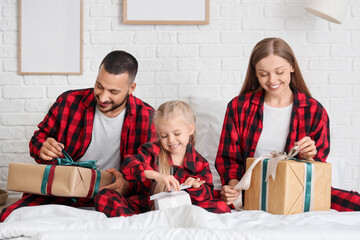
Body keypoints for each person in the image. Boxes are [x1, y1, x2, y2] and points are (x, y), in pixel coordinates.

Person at [0, 50, 157, 222]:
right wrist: (43, 147)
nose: (103, 97)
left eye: (113, 91)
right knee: (10, 217)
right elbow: (38, 140)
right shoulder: (69, 101)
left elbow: (153, 173)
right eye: (99, 86)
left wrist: (127, 186)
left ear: (131, 88)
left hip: (114, 197)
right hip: (60, 192)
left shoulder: (148, 118)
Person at [215, 37, 360, 211]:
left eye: (279, 72)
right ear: (255, 73)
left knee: (352, 202)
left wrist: (309, 157)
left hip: (299, 191)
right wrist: (233, 188)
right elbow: (228, 160)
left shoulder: (314, 111)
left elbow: (318, 170)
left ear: (292, 67)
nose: (272, 80)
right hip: (251, 191)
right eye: (263, 74)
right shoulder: (239, 107)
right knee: (203, 200)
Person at [95, 100, 231, 217]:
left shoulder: (200, 163)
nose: (171, 141)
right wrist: (156, 175)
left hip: (182, 209)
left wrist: (195, 187)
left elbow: (207, 193)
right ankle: (142, 223)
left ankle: (171, 222)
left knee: (221, 207)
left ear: (190, 129)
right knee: (105, 196)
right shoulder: (151, 150)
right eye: (164, 136)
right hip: (146, 208)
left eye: (177, 133)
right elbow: (129, 165)